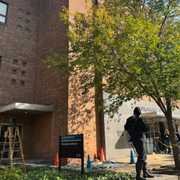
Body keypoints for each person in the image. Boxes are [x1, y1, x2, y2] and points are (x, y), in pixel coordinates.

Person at [124, 107, 154, 180]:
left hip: (133, 140)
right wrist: (148, 126)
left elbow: (125, 128)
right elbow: (145, 128)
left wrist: (131, 134)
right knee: (141, 157)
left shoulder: (129, 119)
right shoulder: (139, 119)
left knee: (143, 155)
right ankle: (138, 175)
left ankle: (145, 172)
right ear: (139, 113)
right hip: (139, 140)